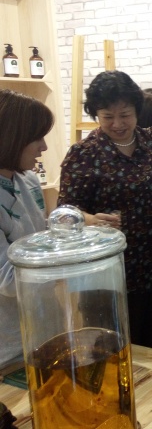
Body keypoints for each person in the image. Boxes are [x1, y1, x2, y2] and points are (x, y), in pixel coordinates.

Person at [58, 70, 152, 353]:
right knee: (114, 351)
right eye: (107, 116)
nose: (117, 124)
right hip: (110, 273)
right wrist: (89, 219)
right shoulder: (83, 153)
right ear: (96, 115)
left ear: (137, 110)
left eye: (125, 115)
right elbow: (64, 212)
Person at [0, 89, 53, 370]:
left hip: (43, 325)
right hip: (8, 346)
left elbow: (37, 232)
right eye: (37, 138)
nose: (43, 147)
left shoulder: (28, 180)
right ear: (12, 136)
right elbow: (8, 280)